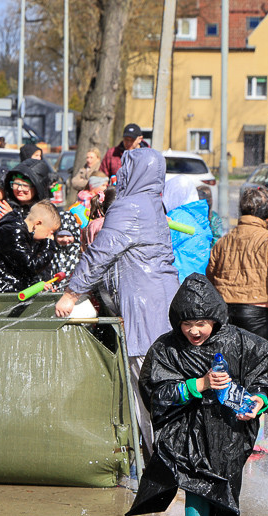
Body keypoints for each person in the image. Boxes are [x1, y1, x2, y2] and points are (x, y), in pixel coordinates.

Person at [125, 273, 268, 516]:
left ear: (215, 319)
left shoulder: (239, 342)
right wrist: (198, 385)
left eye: (202, 323)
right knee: (194, 488)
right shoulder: (166, 349)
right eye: (187, 323)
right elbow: (155, 393)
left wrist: (259, 401)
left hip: (226, 434)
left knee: (217, 494)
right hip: (186, 433)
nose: (194, 331)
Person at [55, 147, 180, 457]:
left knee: (147, 391)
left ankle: (164, 464)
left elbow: (100, 254)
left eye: (126, 168)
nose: (121, 173)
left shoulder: (129, 207)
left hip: (143, 311)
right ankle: (169, 458)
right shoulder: (154, 205)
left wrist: (72, 294)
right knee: (163, 387)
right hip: (165, 307)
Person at [207, 186, 268, 342]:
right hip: (255, 314)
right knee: (257, 364)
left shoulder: (223, 241)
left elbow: (211, 276)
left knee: (229, 363)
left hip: (224, 313)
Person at [0, 200, 59, 293]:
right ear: (38, 224)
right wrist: (49, 245)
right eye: (50, 232)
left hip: (1, 291)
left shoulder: (23, 234)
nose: (50, 237)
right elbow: (32, 266)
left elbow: (23, 272)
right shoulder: (13, 232)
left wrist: (39, 285)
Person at [49, 212, 82, 288]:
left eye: (68, 236)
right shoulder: (52, 252)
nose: (65, 239)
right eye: (60, 236)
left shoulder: (80, 253)